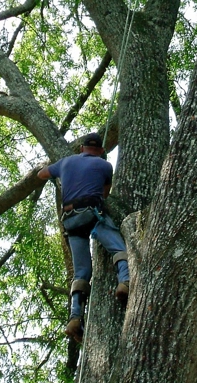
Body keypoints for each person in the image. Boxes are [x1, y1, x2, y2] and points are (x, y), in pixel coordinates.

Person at [37, 133, 130, 343]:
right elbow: (105, 194)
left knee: (81, 272)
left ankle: (75, 318)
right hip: (92, 213)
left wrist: (61, 174)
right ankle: (124, 282)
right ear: (101, 151)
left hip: (70, 220)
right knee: (118, 247)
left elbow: (41, 174)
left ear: (82, 148)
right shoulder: (105, 166)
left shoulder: (66, 162)